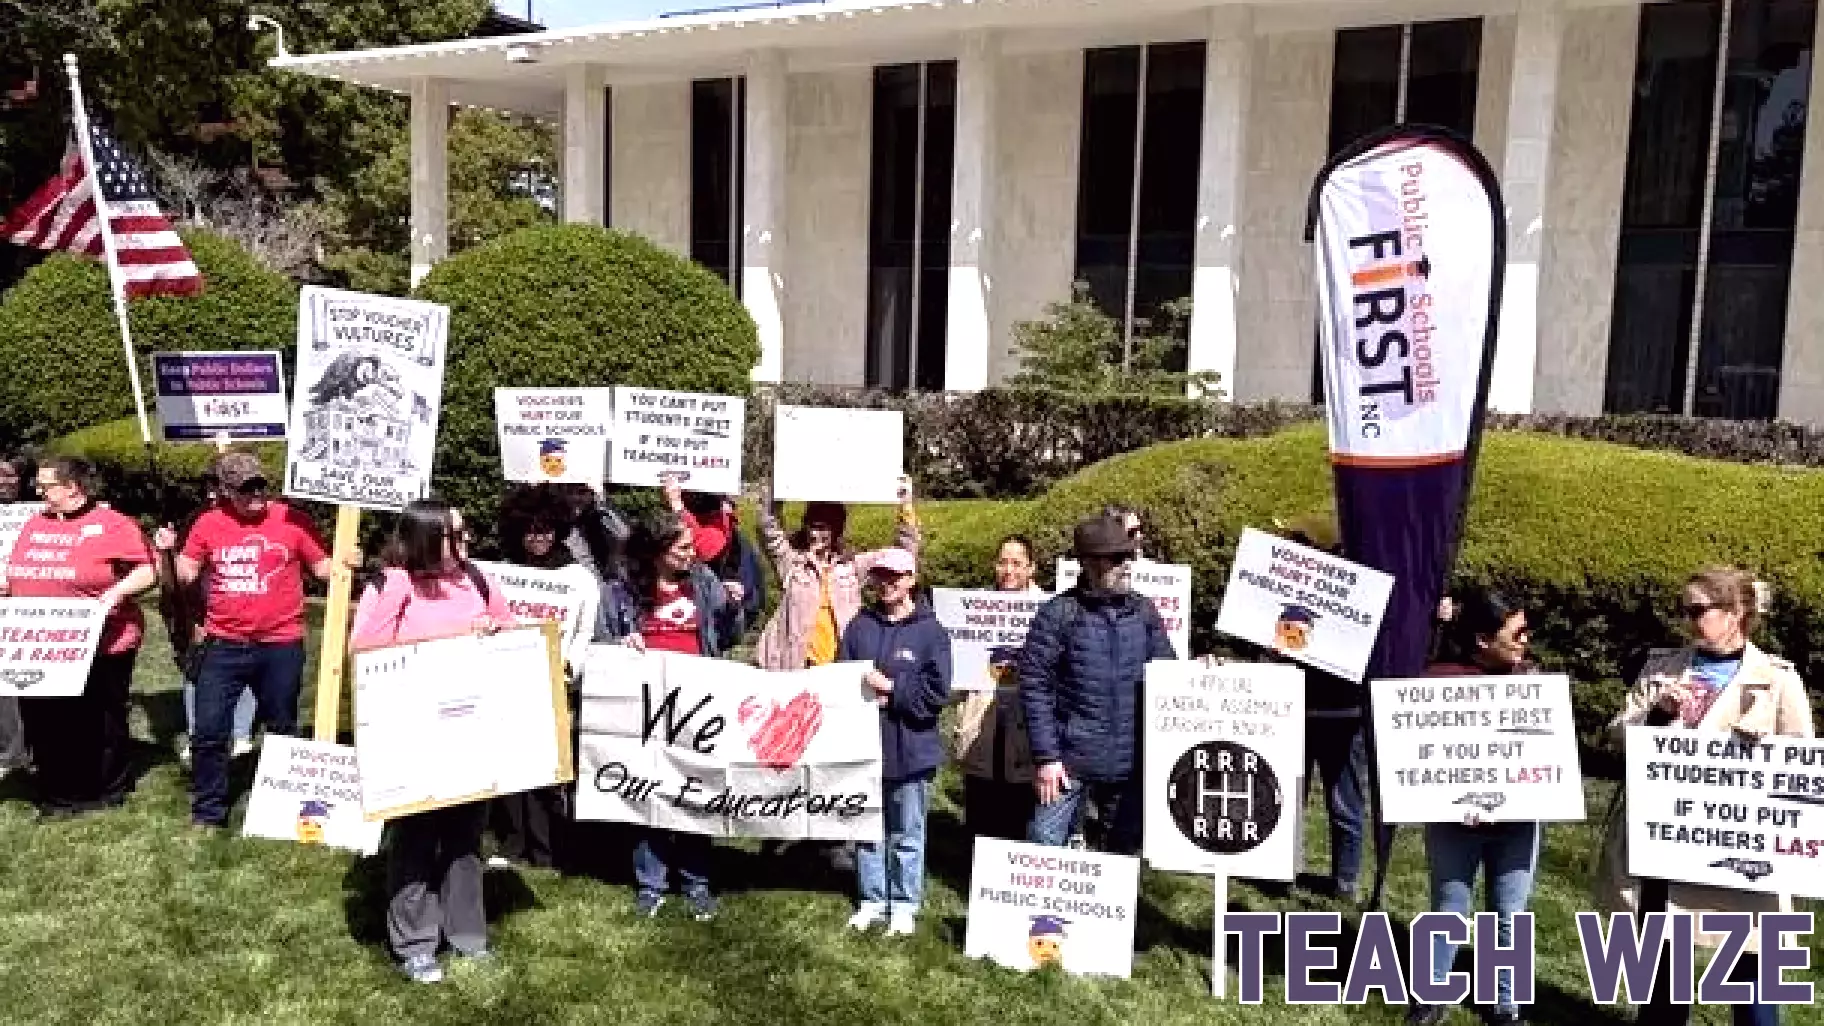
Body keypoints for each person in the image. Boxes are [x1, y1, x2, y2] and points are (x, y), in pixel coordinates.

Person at [1594, 567, 1814, 1026]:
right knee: (1661, 972)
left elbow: (1800, 770)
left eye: (1698, 610)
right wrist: (1656, 715)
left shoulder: (1778, 680)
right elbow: (1616, 735)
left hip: (1740, 852)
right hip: (1666, 844)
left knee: (1752, 971)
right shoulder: (1662, 668)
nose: (1688, 620)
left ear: (1736, 613)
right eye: (1684, 610)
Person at [350, 499, 515, 984]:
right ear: (424, 539)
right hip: (413, 736)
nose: (466, 542)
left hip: (470, 734)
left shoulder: (478, 579)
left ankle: (467, 933)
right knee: (416, 838)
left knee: (465, 838)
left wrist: (494, 630)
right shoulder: (389, 585)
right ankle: (415, 942)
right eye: (454, 535)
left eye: (464, 532)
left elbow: (512, 632)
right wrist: (398, 589)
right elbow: (364, 651)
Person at [154, 451, 332, 829]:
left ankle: (284, 807)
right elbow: (182, 577)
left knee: (281, 725)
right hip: (223, 643)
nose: (255, 494)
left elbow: (323, 568)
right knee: (208, 730)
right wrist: (165, 552)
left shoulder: (292, 519)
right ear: (224, 491)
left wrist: (350, 560)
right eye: (244, 489)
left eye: (259, 486)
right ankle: (208, 811)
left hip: (281, 643)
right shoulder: (207, 523)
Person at [595, 511, 745, 921]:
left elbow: (728, 637)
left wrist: (733, 608)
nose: (691, 553)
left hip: (696, 706)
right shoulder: (620, 591)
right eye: (682, 547)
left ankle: (697, 882)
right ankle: (652, 884)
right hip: (645, 708)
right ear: (658, 550)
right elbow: (601, 642)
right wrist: (621, 645)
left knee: (695, 791)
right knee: (649, 792)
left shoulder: (703, 582)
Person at [1408, 587, 1542, 1026]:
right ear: (1483, 640)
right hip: (1454, 823)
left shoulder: (1533, 683)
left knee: (1509, 913)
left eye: (1527, 631)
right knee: (1449, 906)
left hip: (1517, 823)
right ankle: (1431, 995)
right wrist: (1453, 798)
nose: (1525, 641)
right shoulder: (1436, 681)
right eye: (1517, 633)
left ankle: (1505, 1005)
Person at [0, 458, 156, 818]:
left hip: (100, 644)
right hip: (39, 644)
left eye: (45, 485)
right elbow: (22, 570)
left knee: (96, 719)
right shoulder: (35, 523)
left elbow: (147, 569)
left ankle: (103, 790)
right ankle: (56, 789)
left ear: (73, 487)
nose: (38, 491)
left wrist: (116, 593)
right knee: (44, 718)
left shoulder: (112, 524)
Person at [1018, 514, 1177, 855]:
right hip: (1068, 764)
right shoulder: (1058, 614)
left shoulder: (1144, 612)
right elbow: (1034, 686)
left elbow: (1169, 674)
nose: (1127, 565)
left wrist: (1204, 674)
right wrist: (1047, 757)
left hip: (1129, 764)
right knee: (1042, 849)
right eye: (1116, 558)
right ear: (1089, 563)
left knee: (1122, 857)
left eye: (1128, 556)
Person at [485, 484, 601, 872]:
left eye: (546, 529)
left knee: (548, 773)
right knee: (510, 767)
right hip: (507, 682)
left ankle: (550, 847)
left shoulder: (579, 578)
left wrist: (570, 667)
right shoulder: (503, 574)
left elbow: (585, 632)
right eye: (530, 530)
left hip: (555, 683)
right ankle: (515, 842)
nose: (538, 537)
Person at [841, 547, 952, 937]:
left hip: (911, 747)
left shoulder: (931, 632)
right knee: (869, 828)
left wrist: (892, 689)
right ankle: (872, 899)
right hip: (867, 745)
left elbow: (936, 693)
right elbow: (842, 677)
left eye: (895, 576)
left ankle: (904, 904)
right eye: (880, 576)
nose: (886, 583)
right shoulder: (859, 626)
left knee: (907, 830)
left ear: (911, 580)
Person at [1280, 510, 1373, 900]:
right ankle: (1281, 869)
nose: (1291, 547)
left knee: (1344, 801)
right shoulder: (1285, 589)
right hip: (1294, 708)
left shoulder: (1356, 590)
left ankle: (1345, 879)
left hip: (1343, 713)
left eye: (1299, 541)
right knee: (1288, 796)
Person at [754, 476, 918, 672]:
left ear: (836, 530)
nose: (814, 534)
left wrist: (905, 507)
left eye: (822, 528)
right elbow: (768, 528)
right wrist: (778, 485)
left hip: (838, 670)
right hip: (794, 668)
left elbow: (902, 556)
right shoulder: (792, 562)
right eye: (811, 526)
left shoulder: (852, 567)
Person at [164, 464, 259, 769]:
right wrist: (193, 618)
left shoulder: (257, 518)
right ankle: (198, 736)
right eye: (215, 486)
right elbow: (182, 575)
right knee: (197, 672)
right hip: (202, 612)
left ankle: (241, 734)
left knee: (247, 673)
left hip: (247, 613)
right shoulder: (197, 520)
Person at [949, 535, 1043, 841]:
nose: (1008, 570)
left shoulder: (1046, 610)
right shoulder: (974, 608)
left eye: (1017, 563)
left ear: (1031, 568)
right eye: (1003, 562)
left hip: (1025, 728)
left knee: (1020, 816)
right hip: (981, 727)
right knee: (981, 814)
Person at [0, 454, 32, 775]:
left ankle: (28, 747)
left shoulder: (37, 514)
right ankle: (12, 751)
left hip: (30, 607)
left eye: (10, 475)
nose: (4, 481)